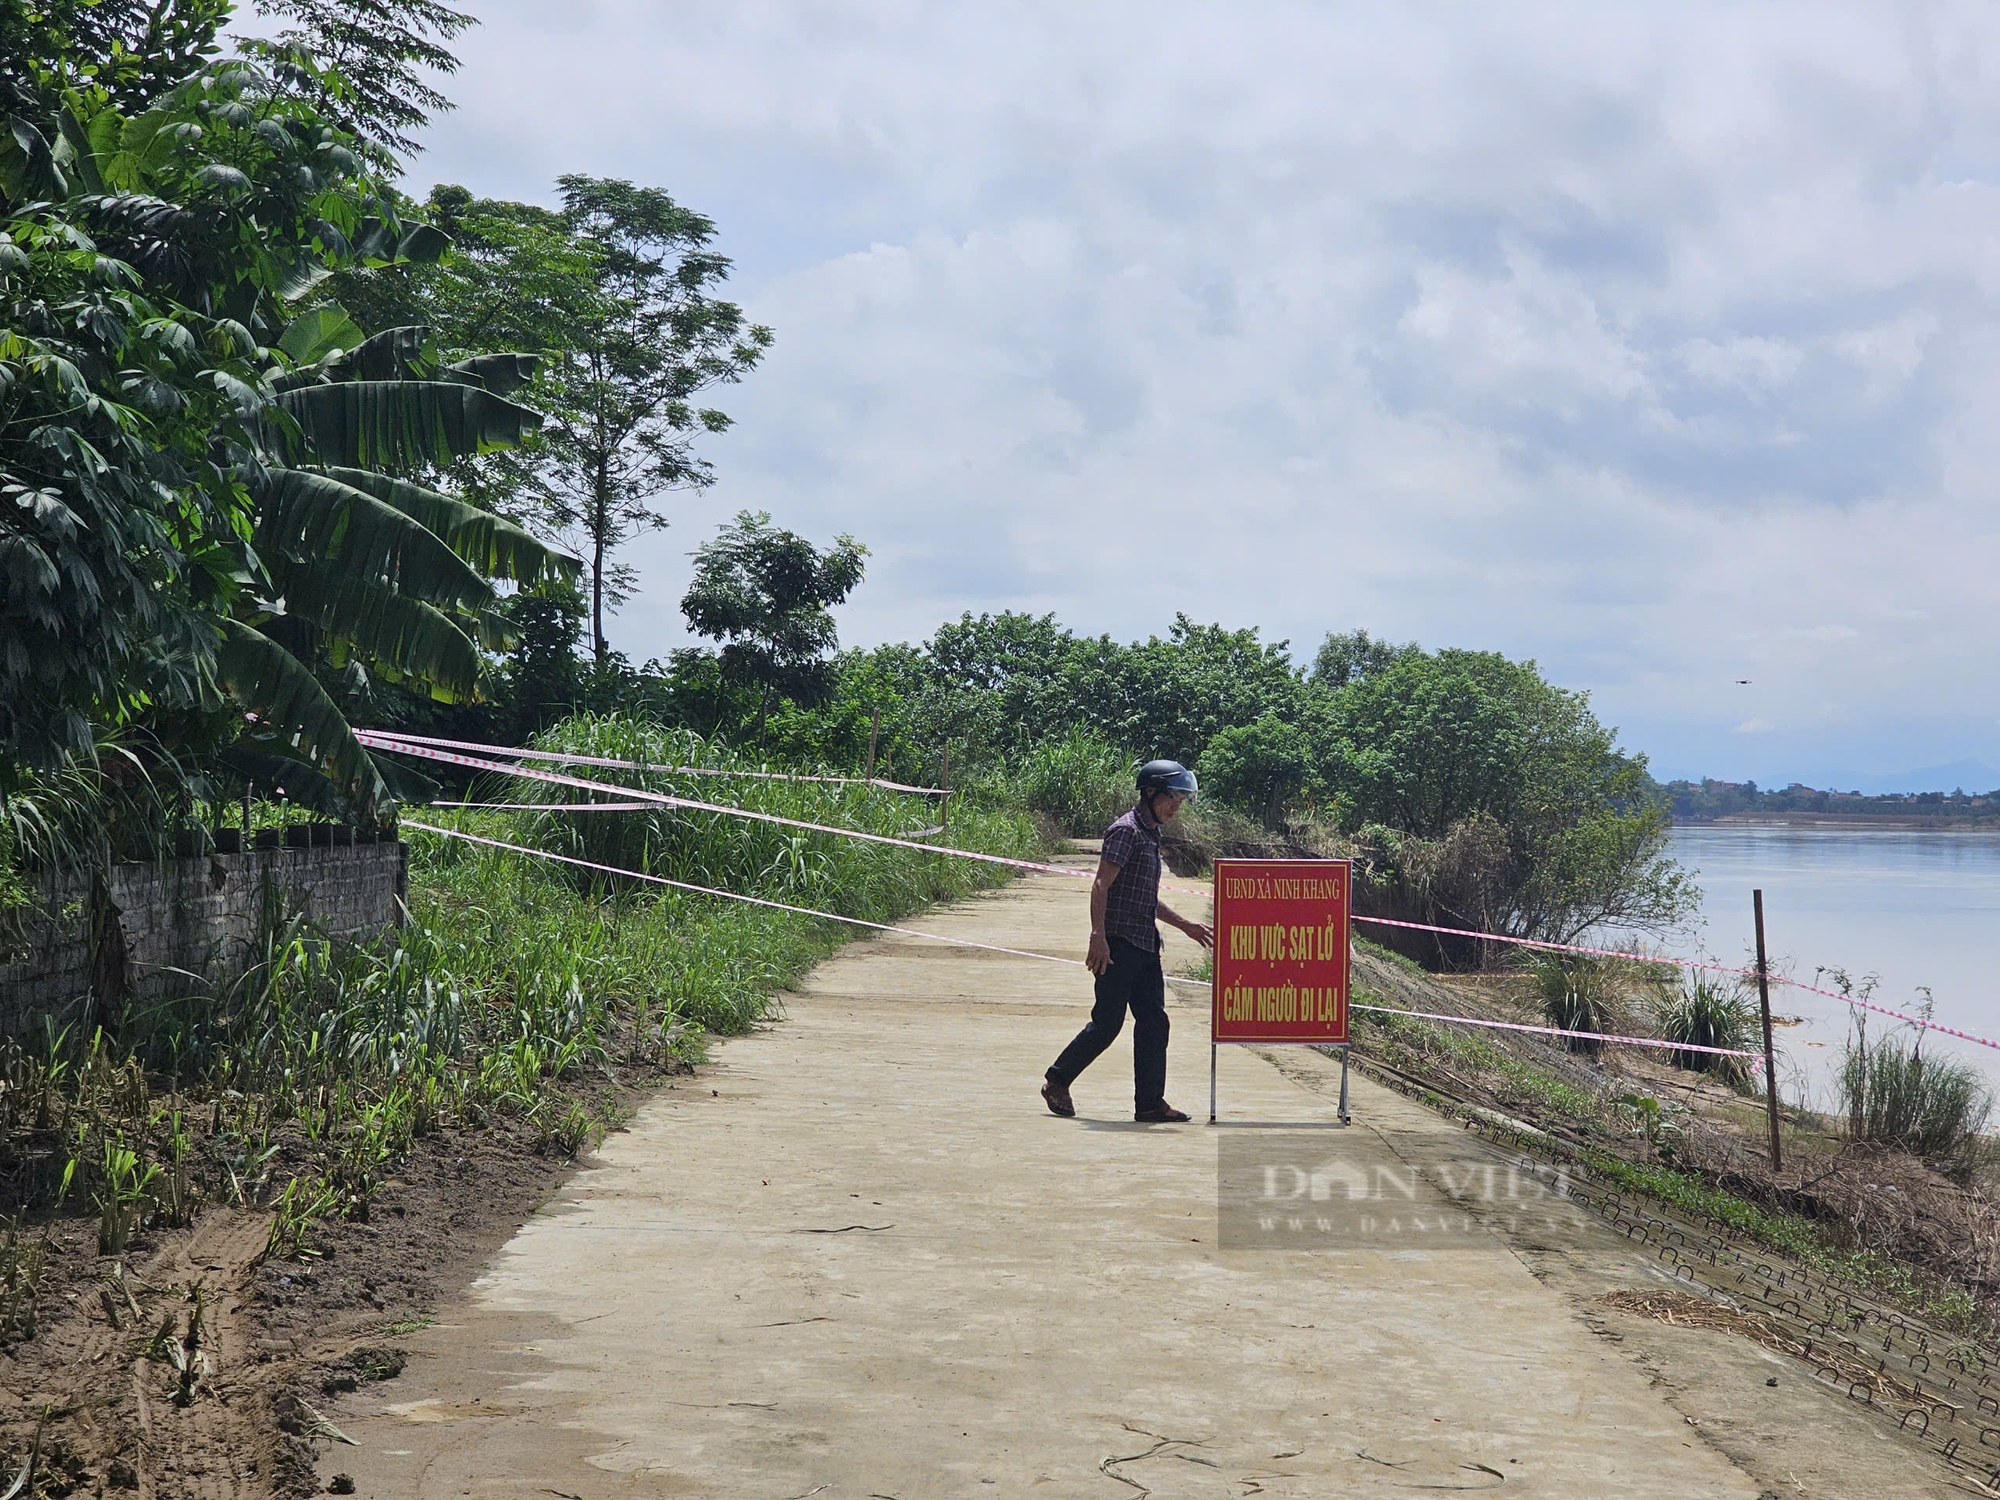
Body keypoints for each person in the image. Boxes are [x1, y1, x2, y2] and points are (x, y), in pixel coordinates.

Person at [1041, 760, 1214, 1123]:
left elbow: (1144, 897)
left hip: (1145, 945)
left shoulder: (1151, 834)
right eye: (1173, 798)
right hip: (1118, 945)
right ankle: (1057, 1080)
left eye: (1181, 800)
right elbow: (1101, 884)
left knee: (1154, 1022)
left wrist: (1184, 925)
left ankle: (1150, 1102)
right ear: (1150, 792)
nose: (1176, 806)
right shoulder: (1126, 831)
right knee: (1107, 1023)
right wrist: (1097, 936)